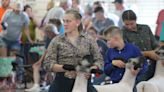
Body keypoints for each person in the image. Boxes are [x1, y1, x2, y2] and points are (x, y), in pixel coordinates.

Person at [44, 9, 103, 92]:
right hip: (62, 82)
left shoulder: (89, 40)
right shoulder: (57, 40)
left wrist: (90, 69)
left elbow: (99, 61)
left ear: (77, 22)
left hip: (84, 82)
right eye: (64, 21)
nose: (65, 24)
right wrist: (65, 68)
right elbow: (47, 63)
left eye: (68, 21)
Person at [121, 10, 159, 92]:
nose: (129, 27)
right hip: (139, 68)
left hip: (154, 64)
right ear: (123, 22)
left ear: (136, 20)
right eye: (127, 24)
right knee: (141, 88)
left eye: (132, 23)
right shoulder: (122, 33)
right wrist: (148, 53)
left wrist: (156, 52)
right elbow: (127, 53)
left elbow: (155, 44)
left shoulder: (145, 28)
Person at [25, 19, 60, 92]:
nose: (46, 35)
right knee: (36, 65)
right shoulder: (48, 38)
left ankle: (50, 84)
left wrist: (45, 61)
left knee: (50, 66)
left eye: (47, 33)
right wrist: (40, 61)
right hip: (50, 58)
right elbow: (46, 50)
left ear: (51, 32)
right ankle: (36, 85)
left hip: (58, 59)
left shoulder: (59, 38)